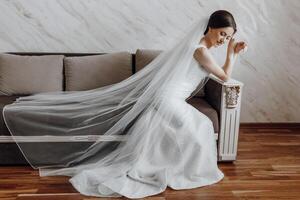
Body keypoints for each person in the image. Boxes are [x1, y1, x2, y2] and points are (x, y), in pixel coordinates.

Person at [3, 10, 247, 198]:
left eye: (228, 37)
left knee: (182, 130)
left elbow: (220, 75)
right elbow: (225, 76)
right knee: (201, 125)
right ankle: (184, 172)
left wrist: (231, 54)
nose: (224, 39)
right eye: (222, 34)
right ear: (210, 28)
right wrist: (231, 55)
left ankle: (169, 167)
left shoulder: (201, 48)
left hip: (166, 98)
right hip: (167, 99)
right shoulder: (201, 51)